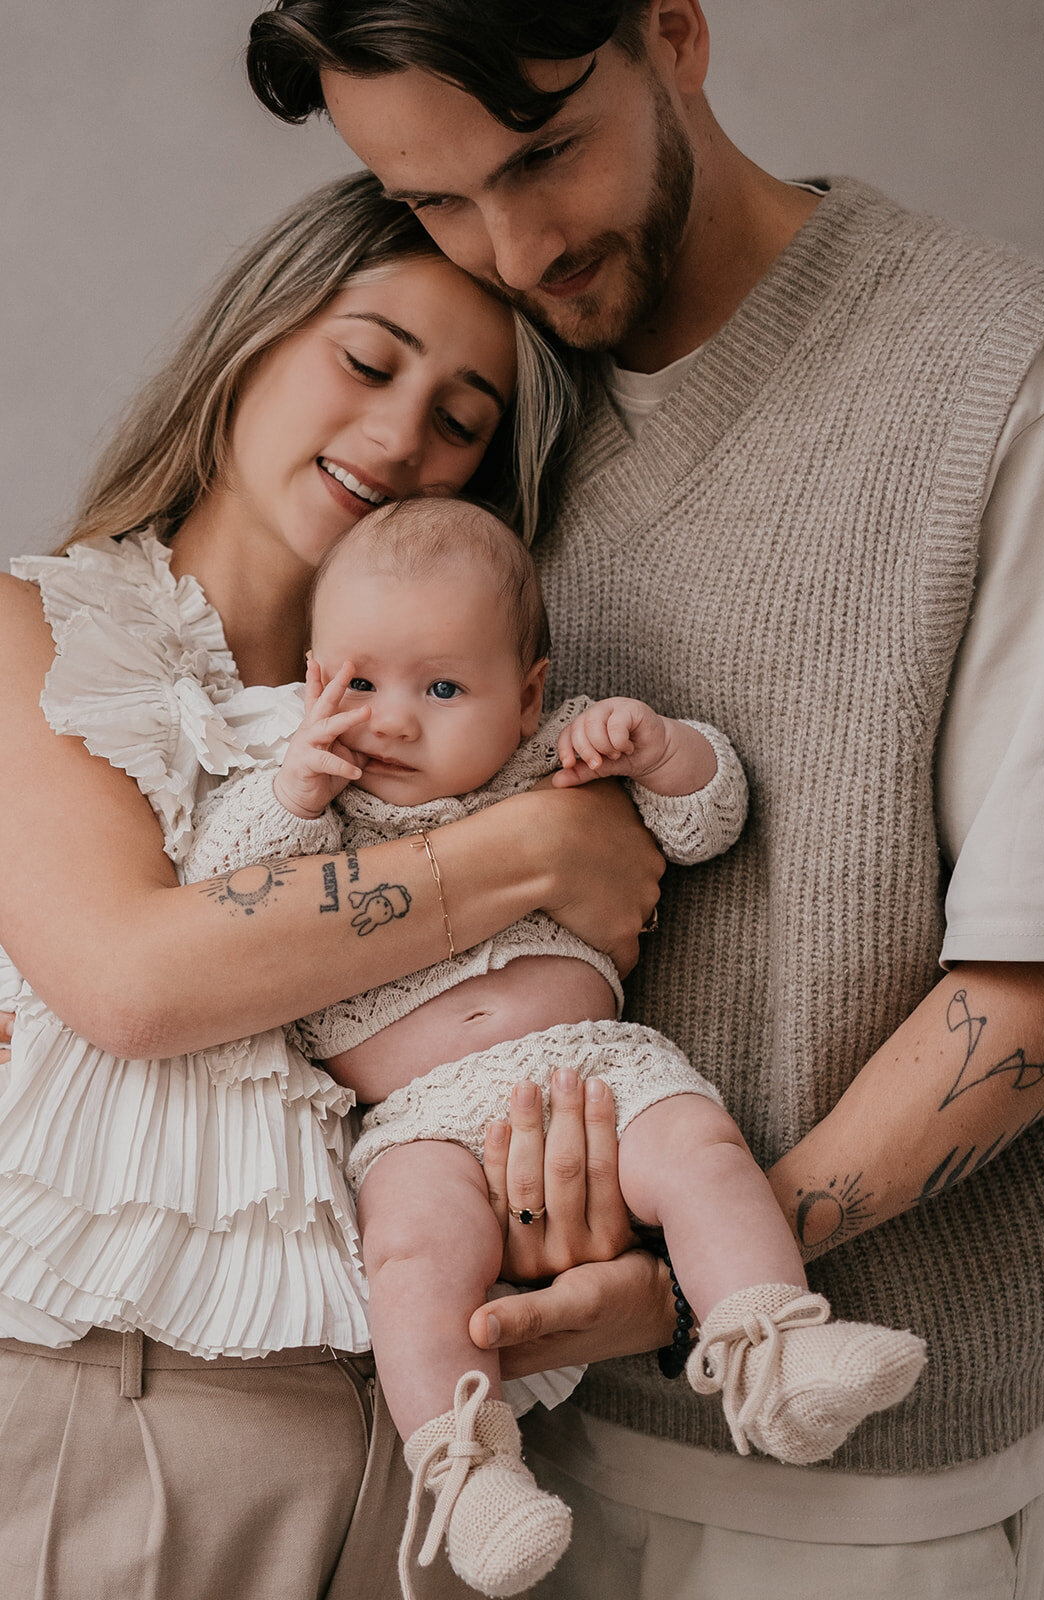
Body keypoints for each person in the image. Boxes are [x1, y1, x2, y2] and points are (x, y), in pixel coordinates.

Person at [244, 3, 1044, 1596]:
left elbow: (1037, 991)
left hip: (838, 1489)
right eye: (432, 199)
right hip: (458, 1448)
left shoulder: (999, 390)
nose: (513, 246)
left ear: (673, 33)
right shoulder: (473, 390)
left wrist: (686, 1277)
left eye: (543, 152)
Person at [0, 169, 667, 1600]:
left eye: (460, 424)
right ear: (251, 340)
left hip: (433, 1449)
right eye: (366, 360)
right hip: (116, 1415)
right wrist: (536, 851)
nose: (395, 435)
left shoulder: (492, 736)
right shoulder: (40, 634)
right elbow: (136, 980)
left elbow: (514, 1066)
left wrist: (603, 1259)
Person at [187, 495, 924, 1596]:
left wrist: (662, 749)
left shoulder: (553, 757)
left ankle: (771, 1345)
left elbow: (703, 818)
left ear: (524, 693)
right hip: (417, 1122)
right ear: (310, 680)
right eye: (357, 683)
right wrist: (294, 783)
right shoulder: (311, 805)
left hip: (597, 1065)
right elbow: (217, 899)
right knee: (413, 1263)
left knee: (703, 1158)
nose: (390, 719)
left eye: (441, 688)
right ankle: (465, 1475)